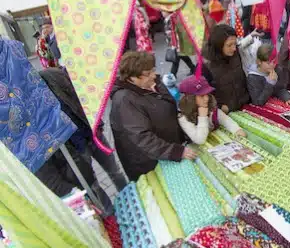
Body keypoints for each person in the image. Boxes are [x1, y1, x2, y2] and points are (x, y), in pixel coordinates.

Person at [109, 51, 197, 181]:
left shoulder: (152, 83)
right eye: (147, 73)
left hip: (166, 149)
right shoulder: (125, 100)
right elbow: (143, 138)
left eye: (153, 70)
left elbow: (168, 105)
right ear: (132, 78)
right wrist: (176, 151)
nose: (153, 75)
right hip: (149, 162)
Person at [39, 67, 128, 194]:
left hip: (92, 134)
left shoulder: (53, 75)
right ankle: (109, 212)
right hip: (75, 149)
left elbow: (82, 98)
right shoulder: (29, 102)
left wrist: (97, 123)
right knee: (92, 185)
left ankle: (127, 194)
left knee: (114, 170)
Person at [177, 76, 245, 145]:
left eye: (207, 94)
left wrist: (237, 130)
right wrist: (202, 117)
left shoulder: (211, 108)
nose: (206, 98)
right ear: (190, 99)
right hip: (198, 148)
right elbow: (200, 140)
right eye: (202, 96)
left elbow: (226, 121)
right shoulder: (183, 117)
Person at [203, 24, 251, 113]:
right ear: (218, 45)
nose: (234, 48)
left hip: (245, 104)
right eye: (229, 45)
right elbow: (204, 93)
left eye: (235, 44)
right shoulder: (206, 65)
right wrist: (220, 106)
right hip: (226, 111)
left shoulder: (235, 53)